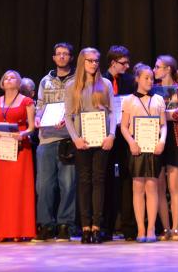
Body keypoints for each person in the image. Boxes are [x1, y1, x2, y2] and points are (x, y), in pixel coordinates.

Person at [64, 48, 115, 244]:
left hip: (102, 141)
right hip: (82, 142)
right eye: (90, 60)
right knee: (84, 181)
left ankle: (97, 226)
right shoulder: (72, 86)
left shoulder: (105, 84)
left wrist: (111, 135)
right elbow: (68, 116)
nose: (94, 64)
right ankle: (85, 227)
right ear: (82, 62)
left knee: (99, 181)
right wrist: (75, 138)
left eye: (96, 61)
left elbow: (113, 112)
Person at [0, 70, 36, 241]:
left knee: (18, 189)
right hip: (1, 149)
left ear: (19, 82)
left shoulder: (27, 102)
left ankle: (18, 231)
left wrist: (23, 134)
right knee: (1, 190)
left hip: (20, 149)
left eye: (12, 77)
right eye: (6, 77)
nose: (8, 79)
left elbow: (31, 128)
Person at [34, 42, 77, 242]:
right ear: (53, 57)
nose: (61, 57)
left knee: (68, 184)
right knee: (44, 185)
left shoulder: (77, 79)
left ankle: (65, 225)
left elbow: (80, 105)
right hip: (46, 138)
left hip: (68, 137)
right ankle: (45, 225)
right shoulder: (45, 81)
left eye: (65, 54)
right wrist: (37, 117)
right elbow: (40, 105)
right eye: (58, 54)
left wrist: (70, 118)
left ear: (71, 57)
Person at [120, 63, 166, 243]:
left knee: (152, 187)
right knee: (138, 187)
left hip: (153, 147)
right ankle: (140, 228)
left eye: (151, 78)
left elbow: (163, 125)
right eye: (146, 78)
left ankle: (151, 228)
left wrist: (162, 141)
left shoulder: (159, 99)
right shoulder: (128, 100)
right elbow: (124, 127)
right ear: (137, 79)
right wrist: (131, 142)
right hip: (137, 147)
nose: (150, 81)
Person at [153, 55, 178, 241]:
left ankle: (176, 229)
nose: (154, 70)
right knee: (159, 187)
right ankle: (166, 228)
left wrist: (163, 115)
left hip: (175, 139)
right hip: (157, 139)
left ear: (168, 69)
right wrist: (166, 114)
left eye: (157, 67)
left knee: (174, 186)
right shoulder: (153, 89)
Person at [101, 45, 136, 241]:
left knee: (127, 179)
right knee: (106, 180)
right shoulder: (100, 80)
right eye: (124, 63)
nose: (127, 66)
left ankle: (128, 227)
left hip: (125, 137)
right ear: (113, 63)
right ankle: (106, 226)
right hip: (106, 136)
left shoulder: (130, 82)